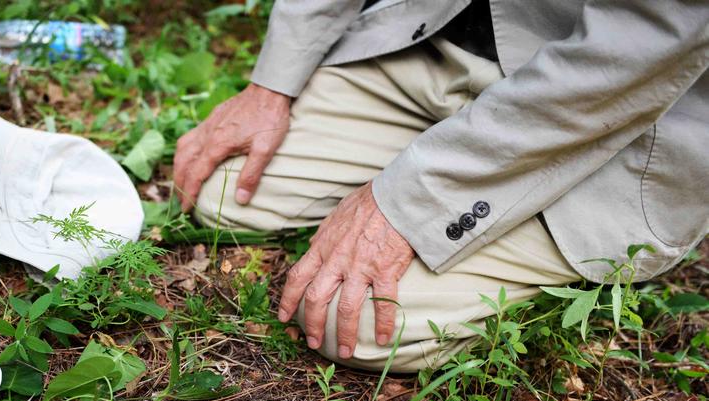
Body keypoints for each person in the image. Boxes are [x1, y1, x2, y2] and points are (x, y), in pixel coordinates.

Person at [172, 0, 709, 373]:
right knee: (228, 195)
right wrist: (271, 84)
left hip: (605, 117)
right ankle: (434, 151)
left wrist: (407, 201)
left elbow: (634, 54)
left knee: (351, 322)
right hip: (434, 43)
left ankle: (570, 282)